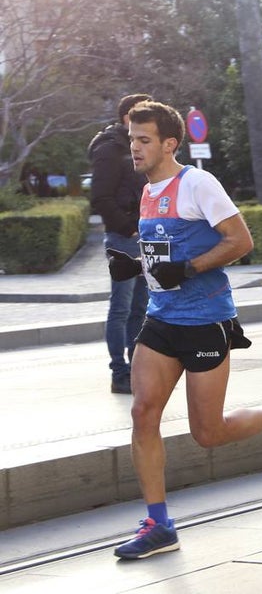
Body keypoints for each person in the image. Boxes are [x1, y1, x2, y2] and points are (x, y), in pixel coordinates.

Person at [109, 101, 262, 560]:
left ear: (169, 143)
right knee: (142, 414)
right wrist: (137, 266)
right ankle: (158, 522)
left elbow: (240, 241)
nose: (134, 147)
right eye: (131, 138)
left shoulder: (197, 183)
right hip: (162, 319)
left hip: (206, 321)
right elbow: (163, 257)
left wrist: (186, 268)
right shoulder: (149, 191)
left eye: (143, 139)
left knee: (207, 433)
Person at [89, 93, 152, 394]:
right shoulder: (109, 149)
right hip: (124, 239)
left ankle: (137, 369)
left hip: (145, 237)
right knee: (121, 308)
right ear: (128, 116)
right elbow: (100, 197)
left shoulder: (139, 147)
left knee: (141, 307)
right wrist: (128, 228)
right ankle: (119, 372)